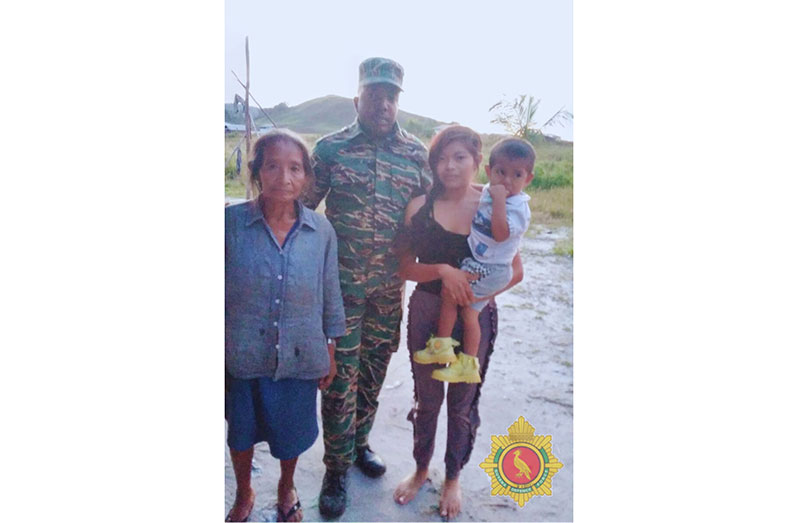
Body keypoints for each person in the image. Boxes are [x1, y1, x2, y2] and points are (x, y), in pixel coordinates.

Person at [302, 57, 432, 519]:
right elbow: (300, 213)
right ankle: (335, 469)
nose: (383, 103)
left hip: (387, 293)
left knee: (373, 374)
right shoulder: (332, 150)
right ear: (358, 98)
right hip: (340, 292)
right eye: (374, 94)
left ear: (398, 102)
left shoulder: (416, 155)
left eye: (391, 96)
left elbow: (434, 213)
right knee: (339, 379)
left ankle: (359, 444)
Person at [392, 125, 523, 519]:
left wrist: (477, 297)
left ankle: (453, 477)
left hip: (472, 317)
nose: (450, 166)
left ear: (477, 162)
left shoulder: (493, 206)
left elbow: (515, 270)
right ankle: (420, 470)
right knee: (428, 399)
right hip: (428, 312)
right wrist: (444, 271)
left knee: (462, 403)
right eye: (442, 158)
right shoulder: (418, 207)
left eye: (460, 157)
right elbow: (404, 267)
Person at [225, 129, 346, 522]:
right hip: (242, 352)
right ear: (257, 170)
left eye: (295, 168)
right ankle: (244, 491)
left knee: (291, 431)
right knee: (241, 431)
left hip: (300, 351)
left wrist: (330, 350)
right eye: (273, 166)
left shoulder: (321, 231)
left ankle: (286, 485)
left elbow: (330, 291)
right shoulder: (229, 224)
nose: (285, 177)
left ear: (307, 177)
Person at [413, 137, 535, 383]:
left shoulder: (514, 207)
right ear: (490, 171)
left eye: (517, 175)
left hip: (488, 272)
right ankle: (456, 356)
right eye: (501, 172)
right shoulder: (487, 193)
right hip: (473, 271)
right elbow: (404, 267)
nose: (507, 181)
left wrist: (500, 200)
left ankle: (452, 353)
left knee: (455, 300)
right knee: (465, 312)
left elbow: (505, 245)